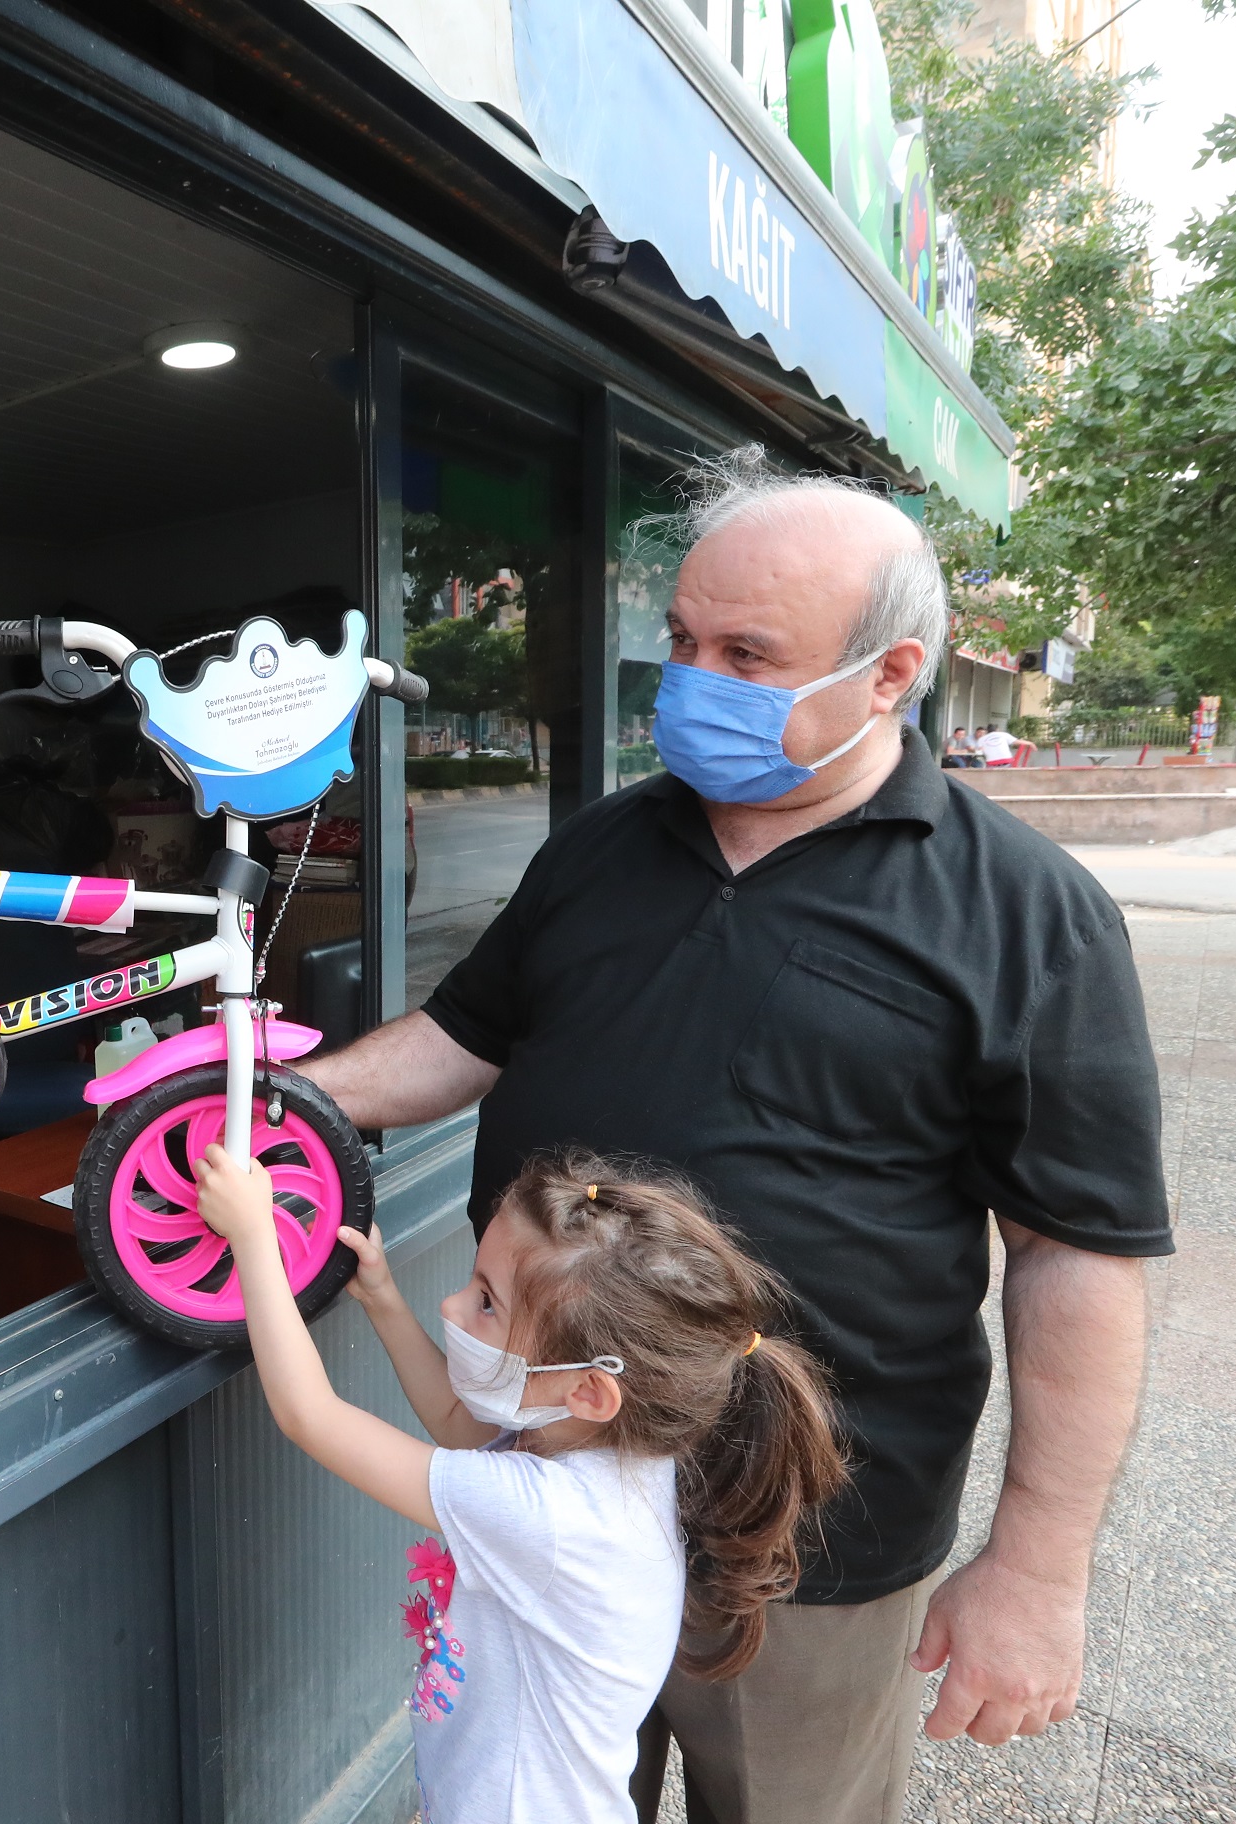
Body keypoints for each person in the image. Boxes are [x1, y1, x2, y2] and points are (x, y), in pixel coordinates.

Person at [298, 448, 1169, 1823]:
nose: (692, 680)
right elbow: (462, 1037)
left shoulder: (1028, 916)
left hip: (808, 1548)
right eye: (684, 639)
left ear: (890, 674)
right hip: (549, 1485)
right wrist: (283, 1096)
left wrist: (1040, 1570)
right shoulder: (603, 845)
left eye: (747, 655)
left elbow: (1079, 1255)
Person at [191, 1146, 846, 1824]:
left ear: (589, 1390)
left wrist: (253, 1240)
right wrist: (384, 1300)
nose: (451, 1305)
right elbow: (459, 1424)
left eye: (486, 1302)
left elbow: (310, 1416)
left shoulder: (553, 1518)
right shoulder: (607, 1448)